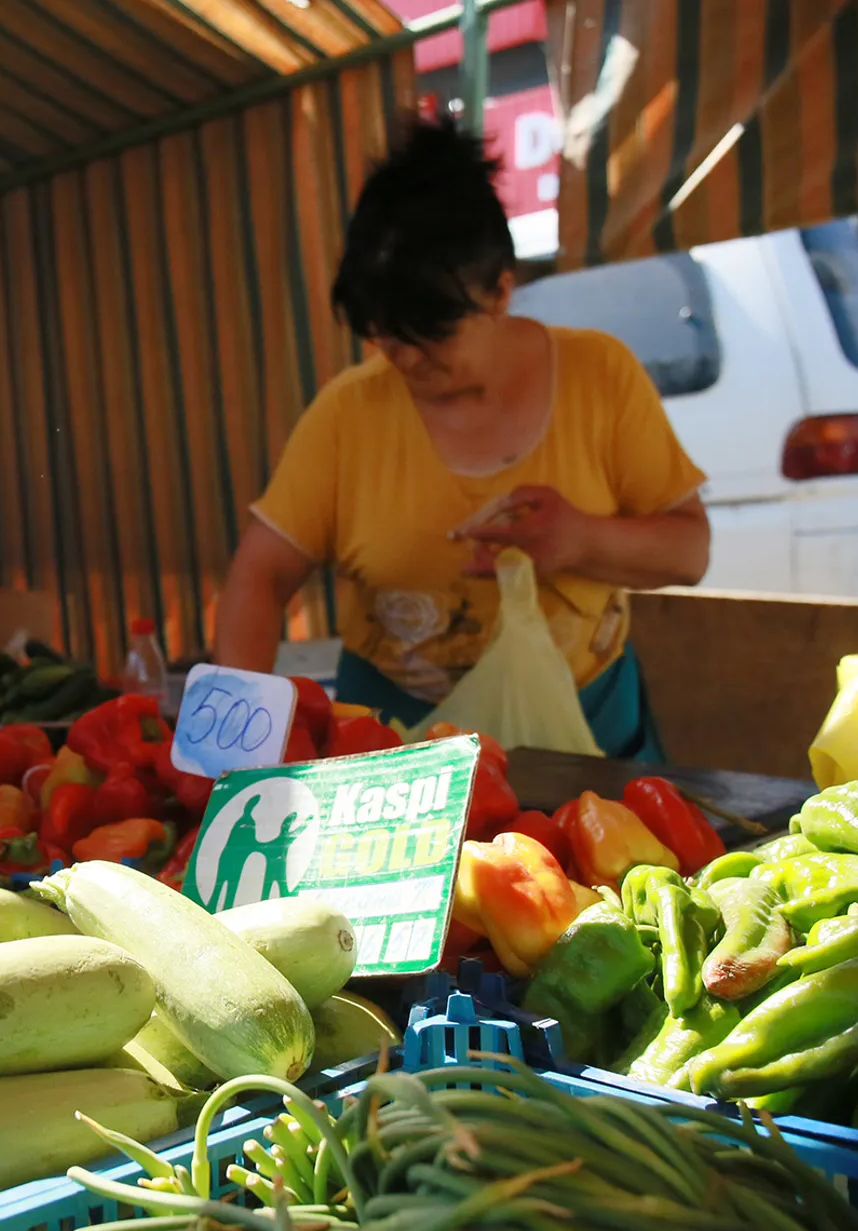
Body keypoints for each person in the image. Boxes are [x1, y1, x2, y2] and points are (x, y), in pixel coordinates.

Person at [214, 122, 709, 758]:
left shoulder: (600, 375)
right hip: (394, 752)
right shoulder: (348, 411)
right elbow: (259, 576)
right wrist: (234, 745)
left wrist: (583, 539)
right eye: (385, 336)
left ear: (501, 290)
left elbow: (689, 551)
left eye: (431, 336)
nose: (406, 360)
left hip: (582, 741)